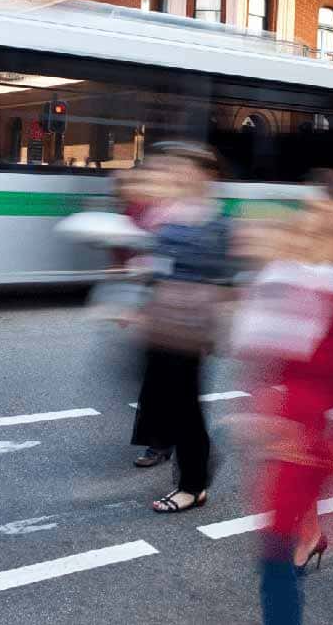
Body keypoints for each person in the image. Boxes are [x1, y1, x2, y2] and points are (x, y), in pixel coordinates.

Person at [232, 178, 333, 625]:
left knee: (275, 551)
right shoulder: (285, 288)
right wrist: (265, 412)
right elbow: (269, 364)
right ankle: (310, 536)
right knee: (279, 539)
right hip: (292, 435)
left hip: (314, 437)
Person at [127, 142, 234, 514]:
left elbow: (224, 279)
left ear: (206, 175)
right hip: (162, 316)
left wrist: (216, 328)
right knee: (166, 398)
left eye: (182, 169)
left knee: (184, 403)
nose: (174, 174)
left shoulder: (215, 220)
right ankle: (192, 464)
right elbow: (158, 261)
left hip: (189, 322)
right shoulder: (169, 211)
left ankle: (193, 484)